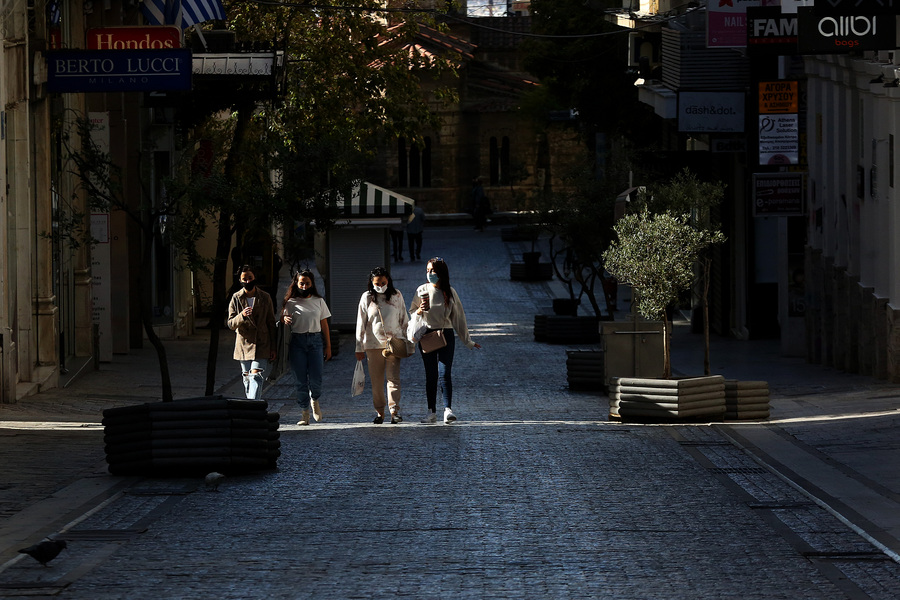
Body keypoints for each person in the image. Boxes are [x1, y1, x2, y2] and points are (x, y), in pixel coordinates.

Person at [409, 257, 481, 424]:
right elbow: (411, 312)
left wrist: (468, 341)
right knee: (431, 374)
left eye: (433, 271)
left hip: (446, 334)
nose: (430, 274)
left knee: (444, 373)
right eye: (427, 271)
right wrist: (419, 310)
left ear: (441, 273)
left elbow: (459, 318)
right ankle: (431, 411)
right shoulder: (421, 290)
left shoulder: (450, 292)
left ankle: (447, 409)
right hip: (427, 335)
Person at [355, 267, 410, 424]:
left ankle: (394, 411)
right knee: (377, 381)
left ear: (388, 281)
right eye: (377, 283)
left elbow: (404, 319)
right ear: (371, 283)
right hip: (372, 345)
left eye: (383, 282)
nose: (380, 286)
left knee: (393, 378)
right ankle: (380, 411)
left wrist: (409, 344)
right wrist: (359, 347)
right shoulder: (366, 298)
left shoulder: (396, 295)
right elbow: (361, 323)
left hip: (394, 343)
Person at [282, 269, 332, 425]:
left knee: (316, 378)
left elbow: (324, 325)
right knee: (300, 380)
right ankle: (304, 413)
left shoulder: (319, 301)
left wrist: (328, 346)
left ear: (312, 284)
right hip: (297, 342)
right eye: (301, 283)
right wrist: (284, 318)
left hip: (315, 341)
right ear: (296, 284)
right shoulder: (291, 302)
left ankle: (314, 399)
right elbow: (283, 318)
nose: (304, 286)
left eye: (307, 283)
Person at [227, 265, 278, 400]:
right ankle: (252, 406)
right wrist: (242, 316)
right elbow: (231, 324)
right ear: (240, 280)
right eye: (245, 279)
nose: (248, 281)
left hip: (262, 344)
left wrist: (273, 347)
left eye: (250, 278)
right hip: (244, 345)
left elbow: (271, 323)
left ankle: (252, 407)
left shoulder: (265, 297)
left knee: (256, 376)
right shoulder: (236, 298)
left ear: (255, 278)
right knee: (247, 379)